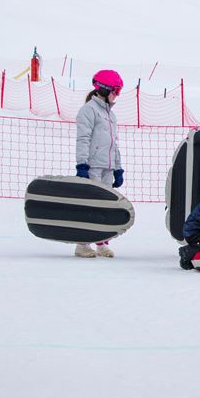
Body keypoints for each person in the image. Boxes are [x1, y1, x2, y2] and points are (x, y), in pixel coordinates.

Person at [74, 69, 125, 259]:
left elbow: (114, 144)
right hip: (93, 166)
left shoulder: (111, 115)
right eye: (116, 90)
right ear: (103, 89)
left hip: (108, 167)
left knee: (104, 206)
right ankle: (82, 243)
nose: (117, 95)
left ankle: (102, 242)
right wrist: (82, 165)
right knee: (90, 205)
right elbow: (83, 139)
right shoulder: (88, 111)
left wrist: (118, 168)